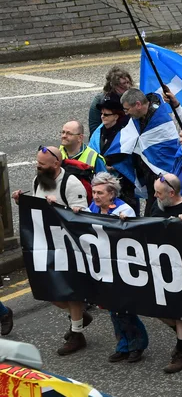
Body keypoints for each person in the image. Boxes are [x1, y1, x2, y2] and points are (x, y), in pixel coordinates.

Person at [12, 146, 90, 356]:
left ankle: (77, 333)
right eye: (37, 164)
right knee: (48, 290)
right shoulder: (39, 180)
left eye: (42, 165)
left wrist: (60, 207)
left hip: (69, 248)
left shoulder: (71, 184)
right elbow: (38, 209)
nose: (38, 168)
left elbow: (83, 217)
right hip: (47, 245)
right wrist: (22, 202)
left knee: (70, 290)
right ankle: (79, 317)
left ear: (56, 164)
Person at [77, 173, 148, 364]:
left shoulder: (125, 210)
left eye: (100, 193)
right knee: (111, 308)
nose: (96, 196)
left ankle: (137, 344)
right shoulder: (94, 207)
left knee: (124, 308)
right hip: (102, 266)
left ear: (112, 194)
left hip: (121, 268)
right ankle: (122, 345)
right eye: (94, 192)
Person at [150, 173, 182, 373]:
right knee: (155, 307)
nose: (154, 196)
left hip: (180, 268)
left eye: (158, 193)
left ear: (172, 193)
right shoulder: (158, 206)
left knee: (180, 311)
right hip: (157, 264)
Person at [88, 66, 132, 136]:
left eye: (128, 82)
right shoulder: (100, 101)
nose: (127, 86)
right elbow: (94, 128)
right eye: (123, 84)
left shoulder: (131, 98)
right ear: (113, 85)